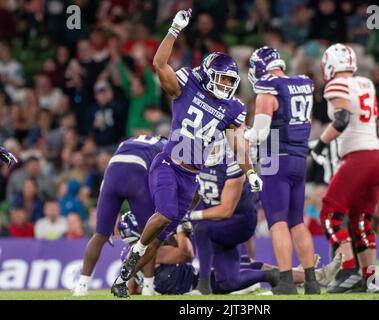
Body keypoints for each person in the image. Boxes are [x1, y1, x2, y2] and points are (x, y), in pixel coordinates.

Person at [112, 8, 262, 298]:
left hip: (192, 177)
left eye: (231, 82)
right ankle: (135, 254)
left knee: (163, 236)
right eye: (222, 79)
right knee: (166, 214)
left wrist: (251, 171)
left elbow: (237, 143)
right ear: (207, 73)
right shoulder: (187, 85)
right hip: (169, 163)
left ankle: (123, 278)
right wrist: (174, 29)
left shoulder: (230, 108)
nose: (227, 86)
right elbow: (158, 63)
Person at [311, 44, 379, 293]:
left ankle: (348, 272)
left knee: (330, 216)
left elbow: (342, 120)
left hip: (359, 157)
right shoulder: (366, 83)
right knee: (362, 220)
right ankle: (370, 279)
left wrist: (321, 145)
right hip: (377, 157)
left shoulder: (336, 84)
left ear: (330, 65)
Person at [119, 211, 343, 296]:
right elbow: (186, 254)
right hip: (198, 285)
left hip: (194, 281)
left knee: (249, 262)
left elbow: (132, 289)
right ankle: (312, 276)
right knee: (256, 270)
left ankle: (308, 275)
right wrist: (181, 228)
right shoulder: (151, 252)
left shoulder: (130, 255)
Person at [244, 46, 320, 295]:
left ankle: (286, 281)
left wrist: (239, 134)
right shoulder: (301, 83)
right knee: (297, 222)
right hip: (299, 158)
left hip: (276, 158)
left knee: (278, 222)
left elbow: (260, 133)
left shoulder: (268, 88)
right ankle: (311, 281)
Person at [72, 135, 167, 296]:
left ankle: (81, 285)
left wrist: (108, 209)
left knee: (99, 235)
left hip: (112, 174)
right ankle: (148, 286)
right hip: (136, 174)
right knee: (149, 237)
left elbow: (114, 166)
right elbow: (161, 177)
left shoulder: (129, 141)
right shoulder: (164, 145)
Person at [188, 137, 279, 295]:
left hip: (239, 222)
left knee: (201, 228)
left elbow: (225, 210)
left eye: (212, 144)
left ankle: (203, 287)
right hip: (218, 224)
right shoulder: (195, 160)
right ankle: (272, 276)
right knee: (228, 282)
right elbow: (195, 193)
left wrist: (191, 215)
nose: (209, 149)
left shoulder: (233, 163)